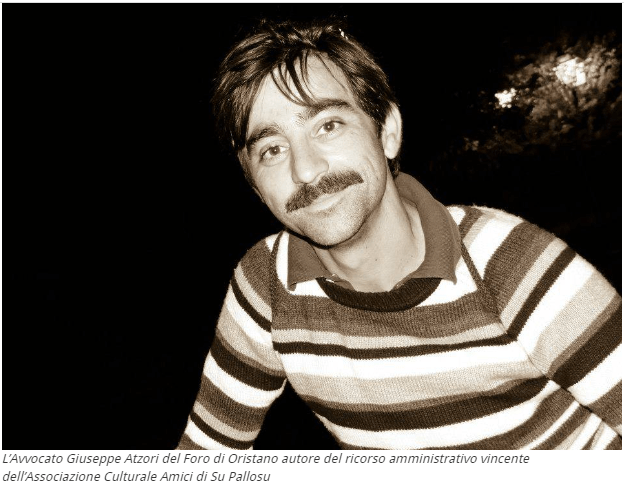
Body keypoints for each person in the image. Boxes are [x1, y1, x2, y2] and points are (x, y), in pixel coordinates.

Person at [176, 19, 621, 450]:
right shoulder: (266, 287)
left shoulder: (513, 265)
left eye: (328, 126)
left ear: (387, 132)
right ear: (255, 187)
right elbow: (205, 457)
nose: (306, 169)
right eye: (272, 150)